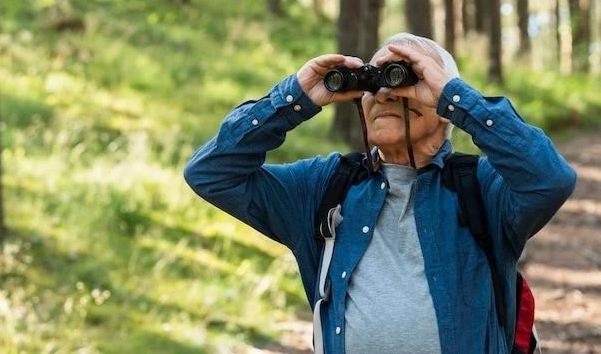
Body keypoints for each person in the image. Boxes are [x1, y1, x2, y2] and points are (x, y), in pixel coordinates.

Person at [184, 33, 576, 354]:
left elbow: (550, 179)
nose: (384, 95)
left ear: (443, 105)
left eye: (404, 80)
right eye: (375, 83)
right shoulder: (325, 187)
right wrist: (292, 99)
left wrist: (455, 96)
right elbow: (211, 174)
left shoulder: (482, 188)